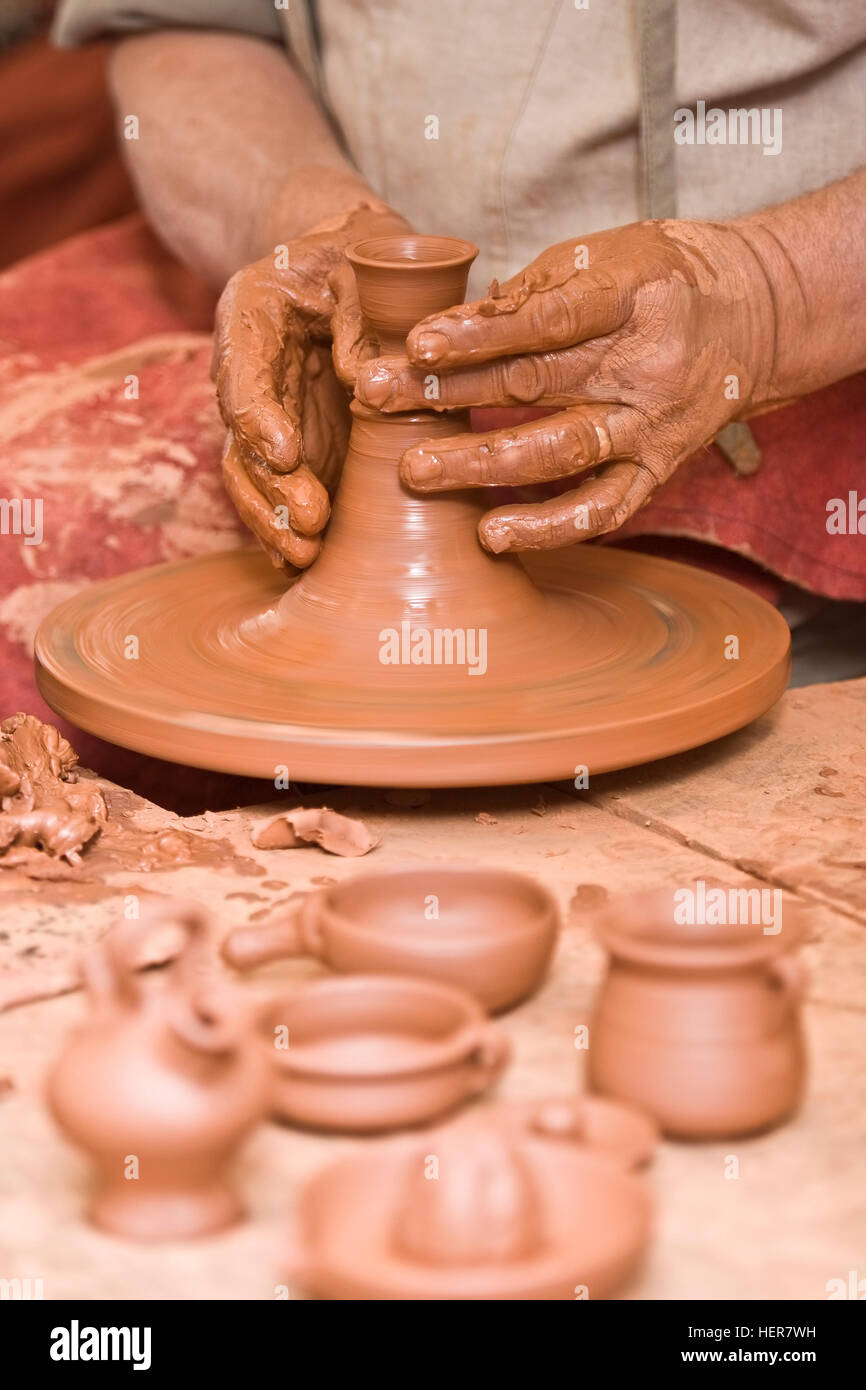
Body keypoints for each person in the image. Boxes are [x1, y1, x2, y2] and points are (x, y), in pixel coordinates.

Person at [51, 0, 866, 675]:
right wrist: (304, 217)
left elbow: (775, 292)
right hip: (344, 293)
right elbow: (185, 25)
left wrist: (769, 290)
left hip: (815, 320)